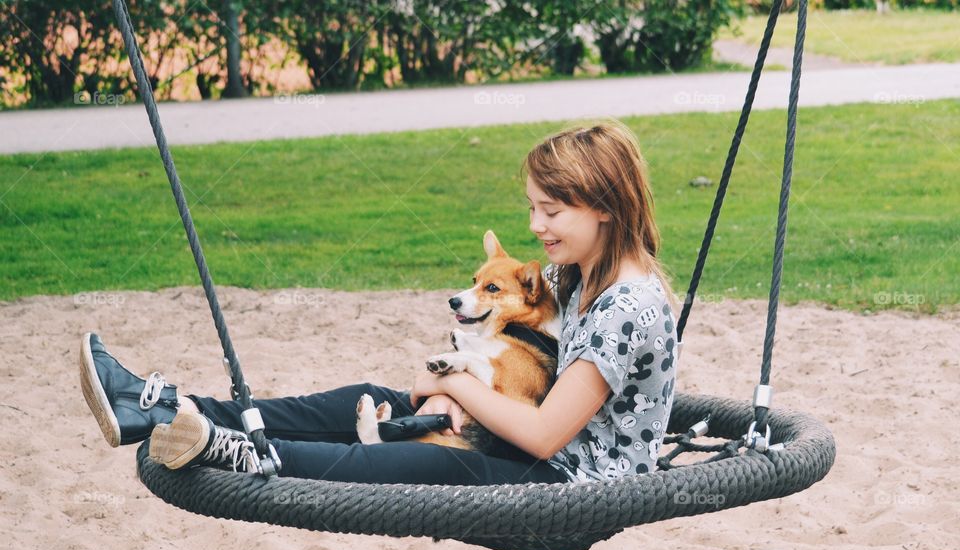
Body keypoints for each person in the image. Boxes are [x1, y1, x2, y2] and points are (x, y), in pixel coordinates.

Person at [80, 119, 678, 486]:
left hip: (568, 482)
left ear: (605, 206)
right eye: (532, 208)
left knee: (417, 467)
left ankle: (239, 451)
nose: (536, 225)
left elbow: (547, 434)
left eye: (551, 211)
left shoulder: (628, 306)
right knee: (354, 403)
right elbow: (517, 362)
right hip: (512, 432)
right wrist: (454, 391)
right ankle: (165, 409)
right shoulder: (572, 272)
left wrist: (454, 387)